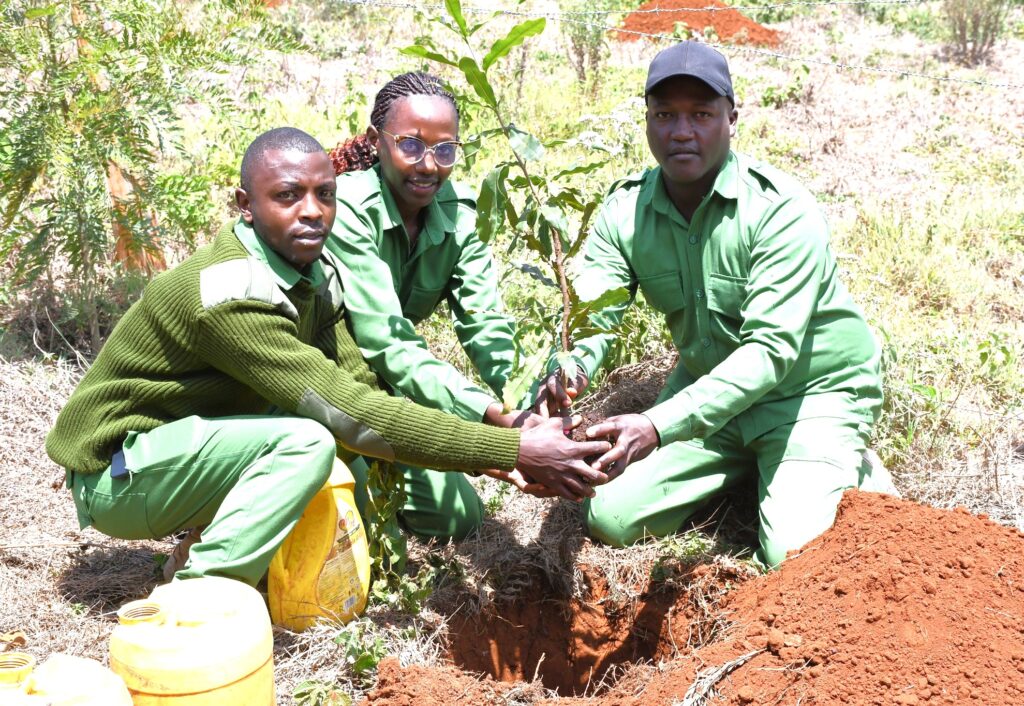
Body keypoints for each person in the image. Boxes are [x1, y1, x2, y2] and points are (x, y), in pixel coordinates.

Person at [46, 127, 611, 587]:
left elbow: (361, 382)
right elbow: (346, 413)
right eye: (288, 196)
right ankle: (204, 599)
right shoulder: (228, 295)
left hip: (202, 439)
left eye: (326, 194)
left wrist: (495, 454)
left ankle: (211, 540)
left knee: (405, 501)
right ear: (246, 206)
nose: (313, 212)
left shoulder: (311, 272)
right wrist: (514, 446)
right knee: (309, 442)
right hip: (120, 472)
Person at [535, 42, 886, 569]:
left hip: (806, 393)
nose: (681, 131)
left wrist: (656, 425)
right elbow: (593, 316)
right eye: (665, 115)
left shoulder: (780, 211)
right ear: (648, 121)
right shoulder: (625, 212)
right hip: (709, 385)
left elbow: (770, 352)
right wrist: (570, 367)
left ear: (731, 118)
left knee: (790, 556)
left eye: (701, 114)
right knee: (611, 518)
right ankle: (755, 468)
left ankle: (848, 467)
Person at [325, 72, 533, 542]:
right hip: (335, 383)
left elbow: (486, 324)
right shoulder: (351, 210)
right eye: (411, 146)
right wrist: (489, 416)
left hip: (394, 389)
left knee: (458, 518)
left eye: (445, 150)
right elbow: (387, 341)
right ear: (377, 143)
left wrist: (523, 397)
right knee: (358, 535)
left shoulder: (458, 214)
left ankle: (381, 469)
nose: (428, 165)